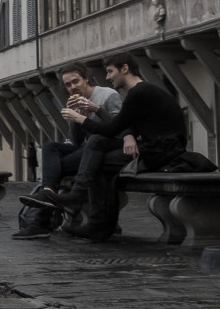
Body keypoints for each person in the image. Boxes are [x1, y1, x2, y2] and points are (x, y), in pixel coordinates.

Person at [33, 53, 188, 241]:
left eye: (110, 71)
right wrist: (79, 118)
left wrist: (84, 116)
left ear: (124, 69)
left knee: (97, 155)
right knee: (92, 146)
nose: (107, 77)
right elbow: (117, 128)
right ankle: (89, 214)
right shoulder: (138, 93)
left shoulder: (138, 93)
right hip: (155, 148)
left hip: (161, 152)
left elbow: (112, 128)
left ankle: (95, 219)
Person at [14, 63, 123, 239]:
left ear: (86, 78)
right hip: (86, 149)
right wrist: (75, 118)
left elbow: (119, 128)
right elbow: (76, 140)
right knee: (50, 147)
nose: (73, 87)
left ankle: (41, 216)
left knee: (56, 167)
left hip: (102, 151)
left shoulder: (108, 95)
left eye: (75, 81)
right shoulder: (74, 100)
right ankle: (48, 191)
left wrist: (91, 112)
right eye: (68, 85)